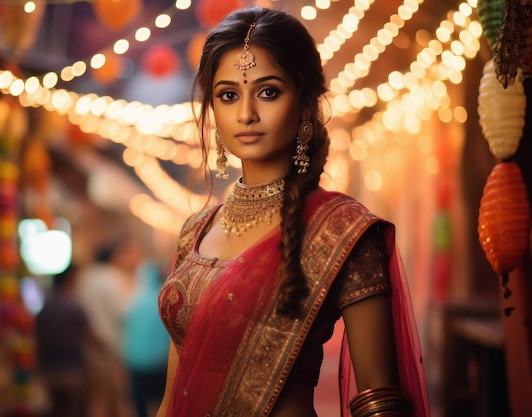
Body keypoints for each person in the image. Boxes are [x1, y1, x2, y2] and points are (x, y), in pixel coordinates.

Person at [156, 7, 430, 417]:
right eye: (228, 95)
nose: (246, 113)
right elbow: (172, 396)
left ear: (304, 103)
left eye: (268, 92)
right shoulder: (195, 230)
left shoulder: (341, 229)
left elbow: (381, 399)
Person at [76, 234, 142, 417]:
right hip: (113, 346)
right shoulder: (116, 279)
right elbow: (126, 313)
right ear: (117, 255)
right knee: (118, 398)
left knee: (97, 397)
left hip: (89, 346)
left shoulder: (87, 276)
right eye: (131, 253)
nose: (135, 259)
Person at [35, 263, 95, 417]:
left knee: (56, 409)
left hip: (49, 368)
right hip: (72, 368)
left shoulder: (45, 307)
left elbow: (38, 338)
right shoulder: (74, 306)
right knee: (74, 409)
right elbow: (89, 336)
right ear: (70, 280)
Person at [122, 260, 171, 417]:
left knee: (140, 400)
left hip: (136, 360)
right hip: (160, 360)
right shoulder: (164, 298)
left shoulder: (133, 300)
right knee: (161, 400)